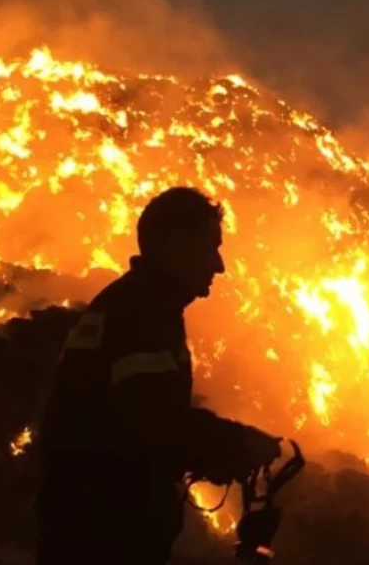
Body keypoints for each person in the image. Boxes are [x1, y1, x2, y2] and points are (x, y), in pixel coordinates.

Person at [36, 187, 282, 564]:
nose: (219, 265)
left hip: (90, 527)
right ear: (179, 244)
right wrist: (234, 443)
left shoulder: (136, 306)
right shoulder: (139, 315)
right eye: (211, 247)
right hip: (103, 538)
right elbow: (150, 425)